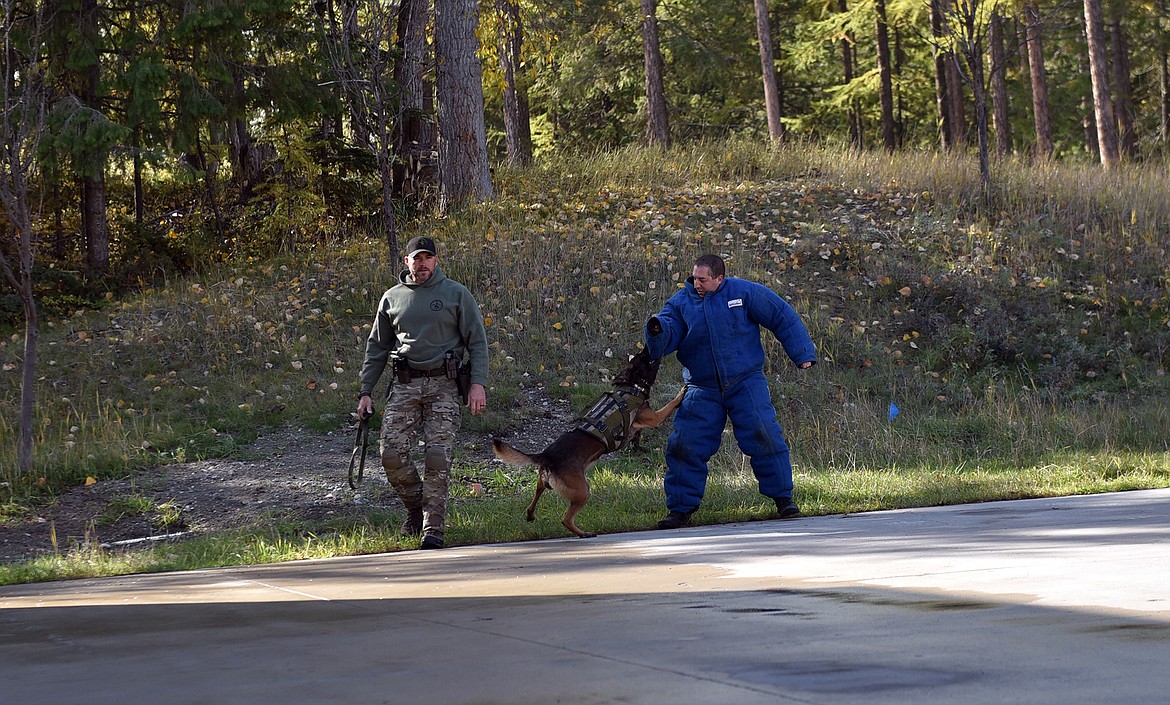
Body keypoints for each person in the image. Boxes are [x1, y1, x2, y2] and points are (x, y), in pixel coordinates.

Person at [644, 254, 816, 529]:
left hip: (746, 382)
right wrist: (656, 331)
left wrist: (802, 353)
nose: (696, 283)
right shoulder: (680, 304)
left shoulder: (744, 292)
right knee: (684, 446)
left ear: (719, 278)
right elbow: (665, 336)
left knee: (765, 436)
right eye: (694, 278)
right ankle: (679, 510)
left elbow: (781, 315)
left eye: (703, 279)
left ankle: (784, 500)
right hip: (701, 387)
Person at [357, 235, 488, 549]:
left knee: (437, 455)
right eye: (417, 258)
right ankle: (416, 508)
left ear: (436, 260)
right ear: (407, 262)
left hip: (444, 384)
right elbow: (376, 348)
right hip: (404, 385)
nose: (423, 263)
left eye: (428, 257)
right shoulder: (392, 298)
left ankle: (433, 528)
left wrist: (477, 384)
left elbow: (477, 342)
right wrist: (365, 391)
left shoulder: (456, 293)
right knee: (391, 454)